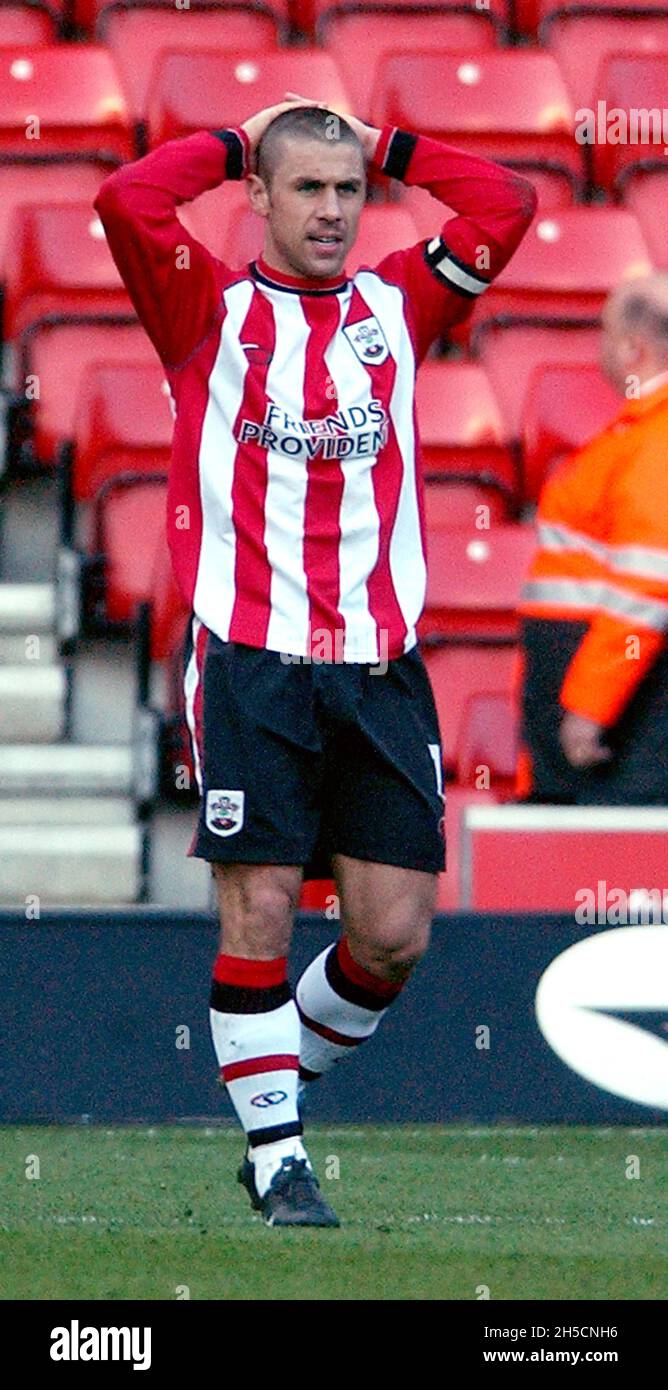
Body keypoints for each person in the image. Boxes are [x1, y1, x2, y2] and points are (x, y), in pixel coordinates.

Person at [95, 94, 535, 1227]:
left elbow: (506, 202)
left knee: (391, 936)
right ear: (258, 197)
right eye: (307, 188)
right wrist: (237, 138)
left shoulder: (401, 301)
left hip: (381, 668)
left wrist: (388, 141)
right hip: (252, 661)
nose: (333, 210)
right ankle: (280, 1159)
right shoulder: (203, 309)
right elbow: (125, 198)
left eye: (347, 191)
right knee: (258, 914)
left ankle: (268, 1094)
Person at [519, 273, 668, 805]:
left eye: (604, 333)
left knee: (610, 868)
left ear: (633, 347)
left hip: (627, 724)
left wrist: (588, 707)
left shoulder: (655, 440)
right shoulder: (639, 433)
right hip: (615, 711)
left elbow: (648, 585)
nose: (597, 347)